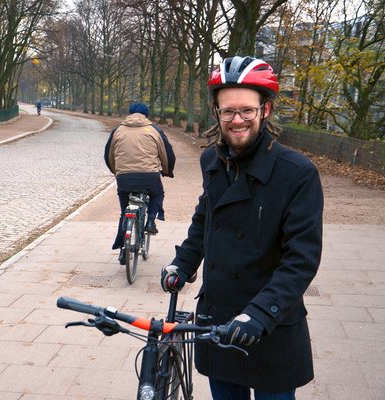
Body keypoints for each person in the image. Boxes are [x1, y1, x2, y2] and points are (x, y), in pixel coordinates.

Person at [160, 56, 323, 399]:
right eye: (228, 111)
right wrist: (183, 263)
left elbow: (302, 258)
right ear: (216, 113)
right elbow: (206, 218)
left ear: (265, 110)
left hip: (270, 326)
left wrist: (261, 313)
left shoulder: (297, 172)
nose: (237, 120)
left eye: (246, 111)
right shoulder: (212, 160)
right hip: (218, 320)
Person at [104, 102, 175, 264]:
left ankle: (123, 249)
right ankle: (150, 220)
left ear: (129, 114)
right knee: (158, 194)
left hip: (124, 178)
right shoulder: (154, 130)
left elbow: (109, 155)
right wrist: (167, 170)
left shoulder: (118, 130)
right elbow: (166, 153)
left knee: (124, 212)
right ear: (147, 115)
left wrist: (117, 172)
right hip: (149, 177)